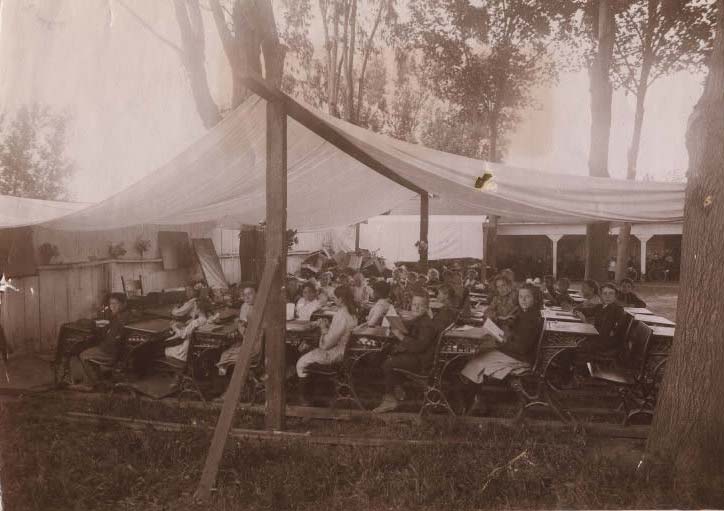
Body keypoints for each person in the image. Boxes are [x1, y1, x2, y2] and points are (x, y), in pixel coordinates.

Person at [460, 285, 543, 413]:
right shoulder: (527, 313)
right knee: (480, 354)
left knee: (476, 362)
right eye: (521, 296)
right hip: (515, 354)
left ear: (535, 299)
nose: (523, 300)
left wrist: (501, 342)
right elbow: (518, 336)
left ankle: (472, 403)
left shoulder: (531, 319)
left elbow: (522, 348)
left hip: (521, 358)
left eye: (527, 297)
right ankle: (477, 398)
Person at [373, 293, 444, 413]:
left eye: (420, 306)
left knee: (388, 363)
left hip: (422, 362)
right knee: (385, 355)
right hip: (419, 356)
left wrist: (400, 336)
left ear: (427, 307)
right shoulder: (421, 319)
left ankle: (391, 399)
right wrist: (398, 324)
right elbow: (413, 328)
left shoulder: (427, 325)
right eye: (414, 304)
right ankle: (396, 387)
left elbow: (418, 347)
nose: (415, 308)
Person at [296, 286, 358, 406]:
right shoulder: (352, 313)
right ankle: (317, 391)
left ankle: (305, 400)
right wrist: (329, 326)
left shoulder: (341, 315)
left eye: (335, 298)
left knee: (301, 362)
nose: (333, 300)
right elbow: (339, 334)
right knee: (306, 348)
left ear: (341, 299)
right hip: (345, 353)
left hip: (335, 355)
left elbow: (326, 345)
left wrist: (323, 328)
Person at [79, 293, 131, 386]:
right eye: (111, 304)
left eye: (116, 304)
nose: (112, 307)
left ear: (124, 304)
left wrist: (100, 331)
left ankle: (93, 384)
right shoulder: (125, 315)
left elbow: (111, 341)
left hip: (112, 353)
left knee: (84, 355)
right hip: (119, 352)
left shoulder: (121, 319)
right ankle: (98, 378)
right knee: (92, 346)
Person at [574, 282, 629, 360]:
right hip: (599, 338)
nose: (607, 296)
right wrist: (576, 311)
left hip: (608, 343)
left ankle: (580, 368)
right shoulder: (600, 307)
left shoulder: (617, 310)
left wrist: (585, 321)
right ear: (601, 296)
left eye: (611, 293)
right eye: (605, 293)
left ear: (615, 296)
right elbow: (584, 310)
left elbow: (604, 332)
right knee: (575, 342)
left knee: (576, 346)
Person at [163, 297, 214, 364]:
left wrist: (174, 327)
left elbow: (182, 336)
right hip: (194, 350)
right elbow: (190, 331)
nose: (194, 310)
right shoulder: (206, 320)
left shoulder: (196, 322)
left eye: (195, 308)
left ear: (198, 309)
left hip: (185, 352)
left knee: (165, 349)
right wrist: (183, 327)